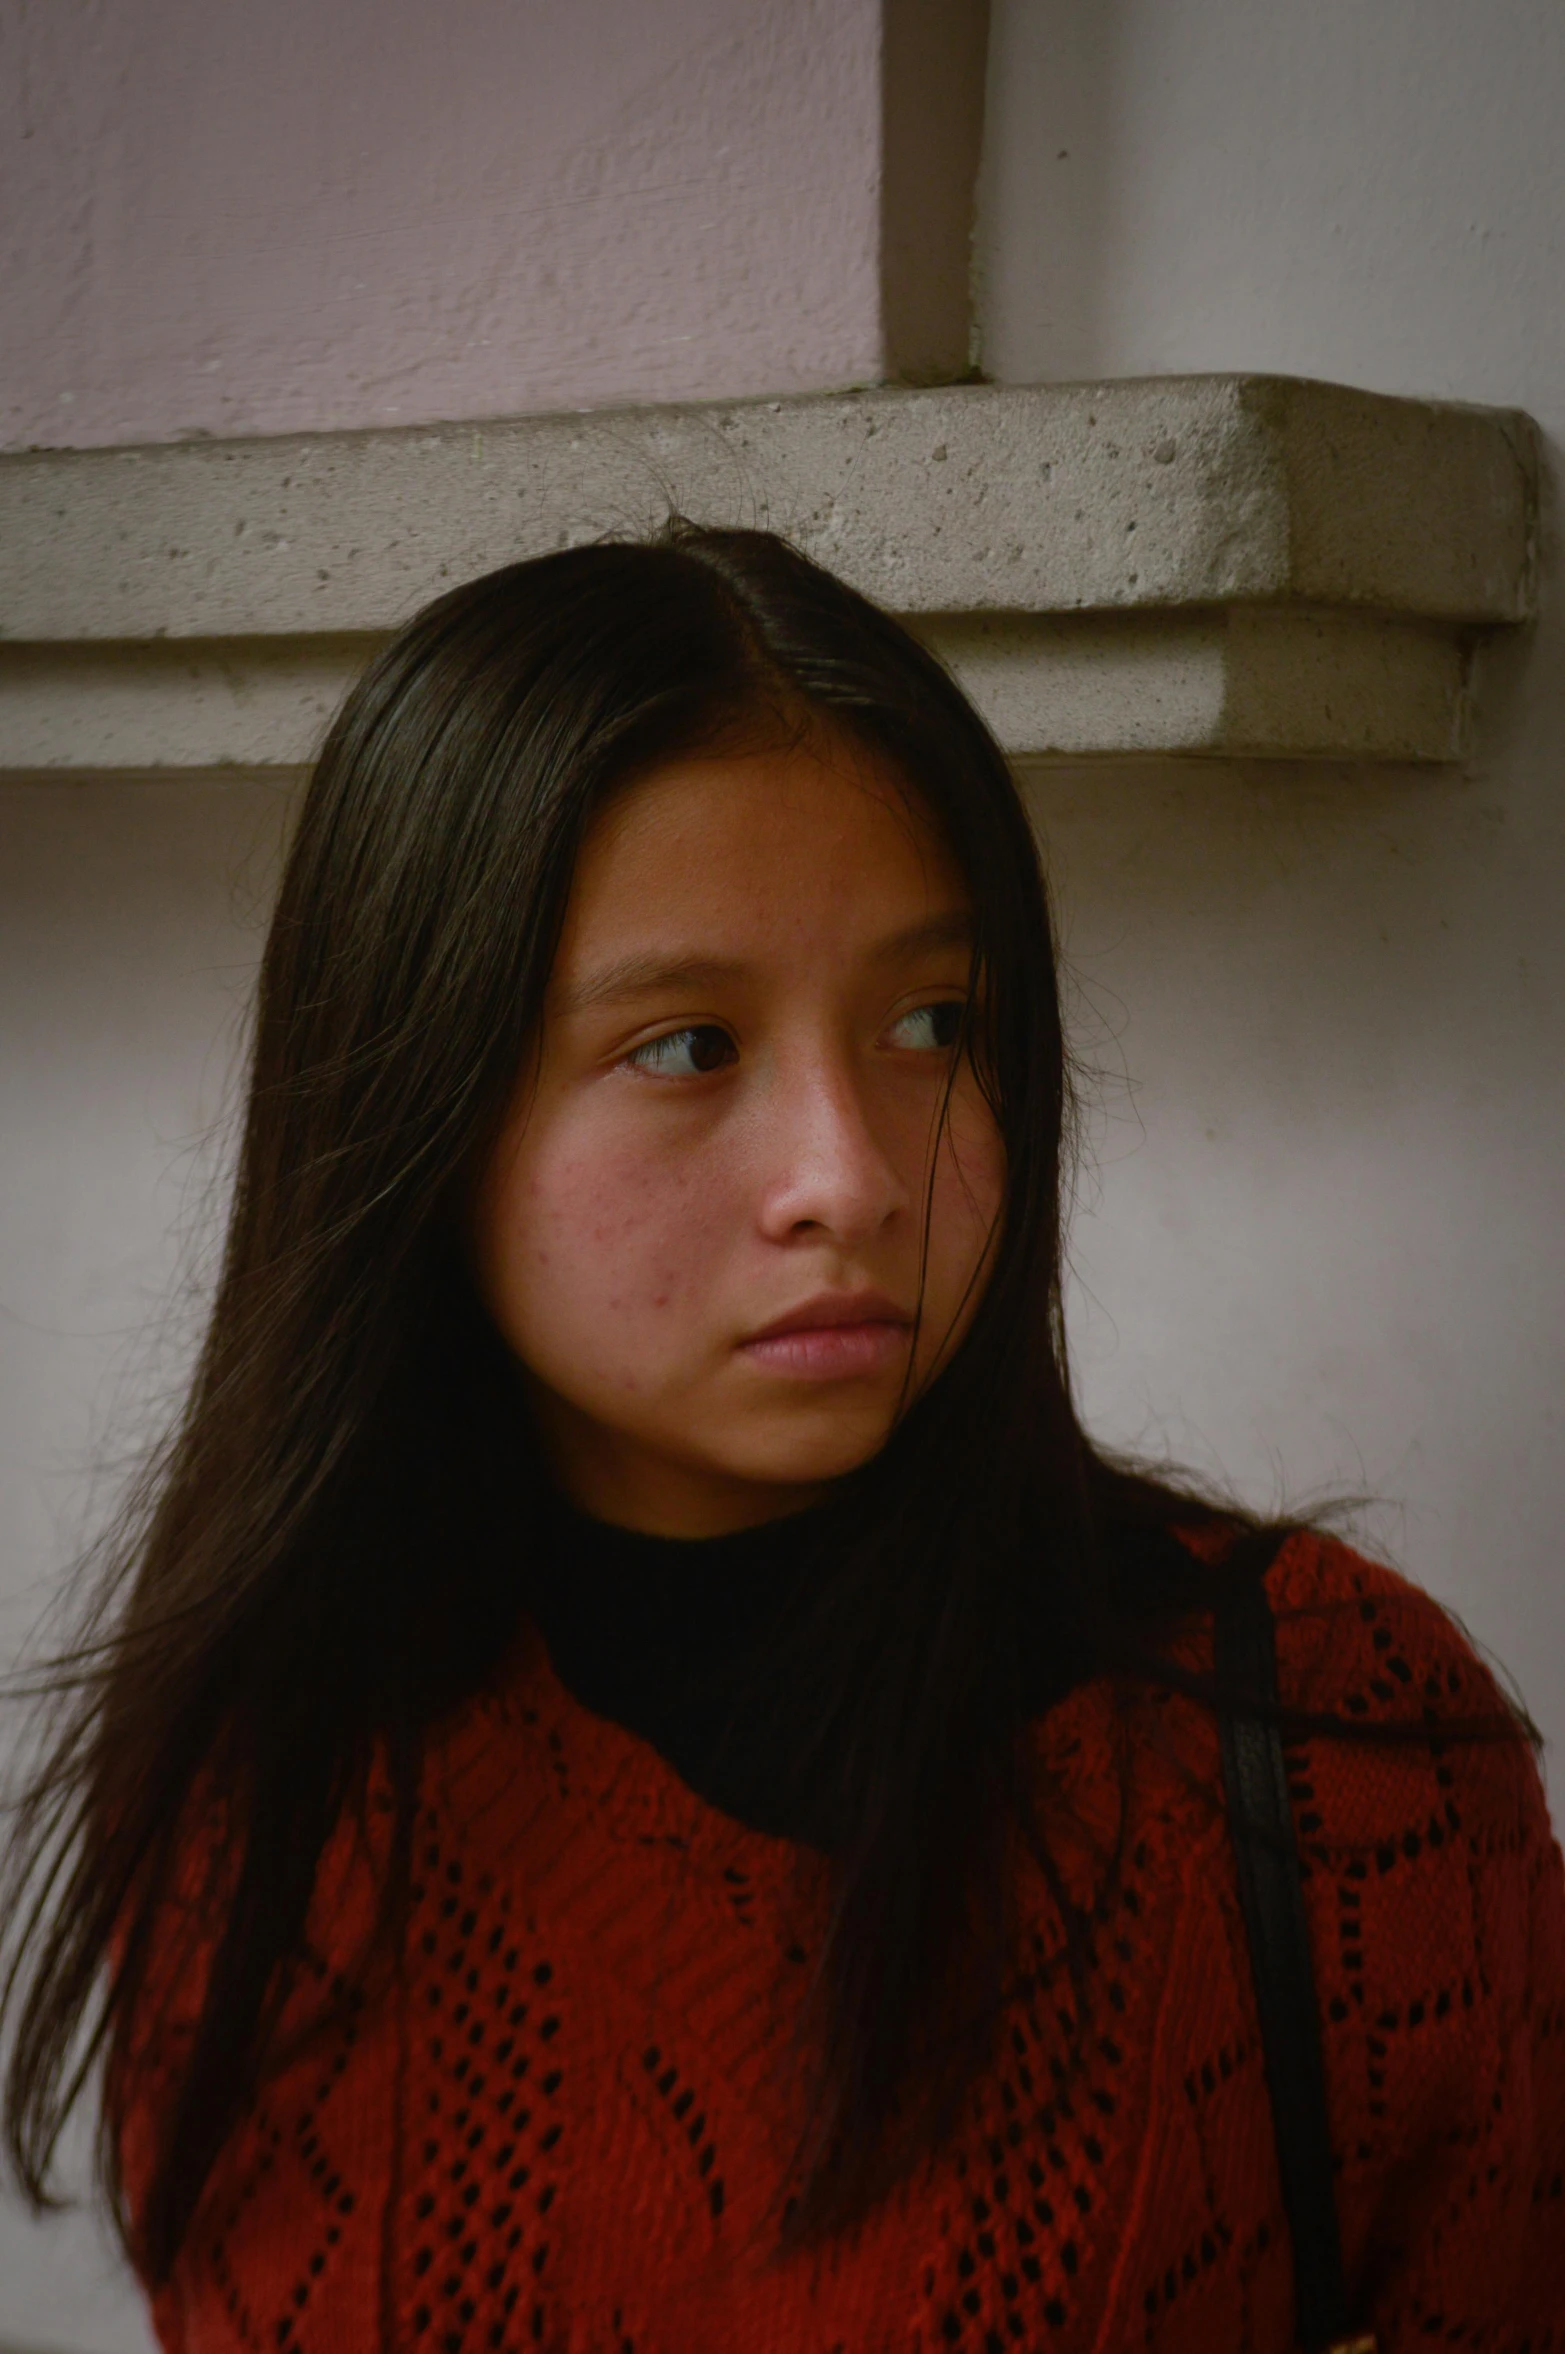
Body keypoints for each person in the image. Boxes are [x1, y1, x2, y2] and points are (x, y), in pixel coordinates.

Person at [3, 524, 1562, 2353]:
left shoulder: (1326, 1750)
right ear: (418, 1105)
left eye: (933, 1020)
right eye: (686, 1045)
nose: (846, 1175)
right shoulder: (263, 1797)